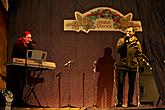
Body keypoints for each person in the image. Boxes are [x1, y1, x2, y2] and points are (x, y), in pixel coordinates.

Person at [6, 31, 35, 107]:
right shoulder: (17, 45)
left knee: (22, 85)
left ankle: (19, 102)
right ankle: (16, 103)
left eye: (30, 37)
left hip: (24, 70)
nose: (30, 39)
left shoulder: (29, 46)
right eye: (28, 37)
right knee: (18, 85)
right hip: (16, 69)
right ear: (23, 37)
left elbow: (32, 55)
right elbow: (15, 57)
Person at [116, 26, 143, 107]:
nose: (128, 33)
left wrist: (140, 64)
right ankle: (120, 101)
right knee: (120, 83)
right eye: (127, 31)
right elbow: (118, 50)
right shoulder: (121, 40)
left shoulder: (136, 42)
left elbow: (139, 54)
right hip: (122, 65)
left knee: (131, 84)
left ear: (133, 32)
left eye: (130, 31)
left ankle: (130, 102)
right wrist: (125, 42)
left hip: (133, 65)